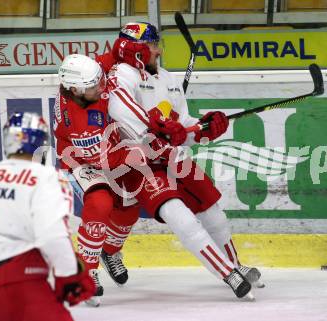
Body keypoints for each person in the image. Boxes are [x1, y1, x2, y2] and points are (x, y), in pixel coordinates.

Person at [107, 22, 263, 300]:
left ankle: (236, 264)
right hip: (140, 162)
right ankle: (229, 274)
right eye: (153, 45)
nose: (158, 50)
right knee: (180, 217)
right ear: (137, 50)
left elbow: (182, 127)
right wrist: (160, 130)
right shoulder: (121, 75)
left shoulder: (168, 79)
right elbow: (124, 114)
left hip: (172, 156)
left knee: (213, 212)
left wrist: (204, 129)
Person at [0, 112, 95, 321]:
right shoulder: (46, 176)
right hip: (19, 283)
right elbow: (52, 236)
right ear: (40, 141)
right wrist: (69, 276)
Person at [55, 54, 140, 306]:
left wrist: (129, 47)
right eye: (95, 87)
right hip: (83, 159)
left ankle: (109, 251)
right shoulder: (79, 122)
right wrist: (144, 150)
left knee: (129, 209)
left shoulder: (83, 79)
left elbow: (113, 55)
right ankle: (87, 270)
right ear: (75, 90)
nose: (101, 88)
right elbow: (107, 161)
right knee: (101, 203)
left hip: (109, 150)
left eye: (99, 81)